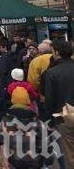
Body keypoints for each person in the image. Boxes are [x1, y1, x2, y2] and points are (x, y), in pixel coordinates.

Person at [42, 39, 74, 168]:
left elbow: (49, 99)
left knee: (68, 153)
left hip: (63, 116)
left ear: (57, 52)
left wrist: (49, 119)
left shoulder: (52, 72)